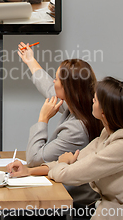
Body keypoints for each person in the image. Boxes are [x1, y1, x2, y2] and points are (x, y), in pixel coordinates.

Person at [8, 77, 123, 220]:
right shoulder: (107, 134)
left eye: (96, 99)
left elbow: (69, 174)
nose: (92, 99)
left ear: (105, 111)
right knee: (19, 214)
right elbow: (76, 160)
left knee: (21, 215)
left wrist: (63, 163)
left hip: (121, 215)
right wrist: (28, 171)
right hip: (106, 209)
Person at [17, 42, 103, 206]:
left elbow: (34, 158)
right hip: (66, 192)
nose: (53, 81)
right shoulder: (80, 106)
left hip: (75, 201)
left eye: (57, 78)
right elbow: (49, 88)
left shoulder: (77, 128)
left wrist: (43, 118)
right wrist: (30, 60)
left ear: (68, 89)